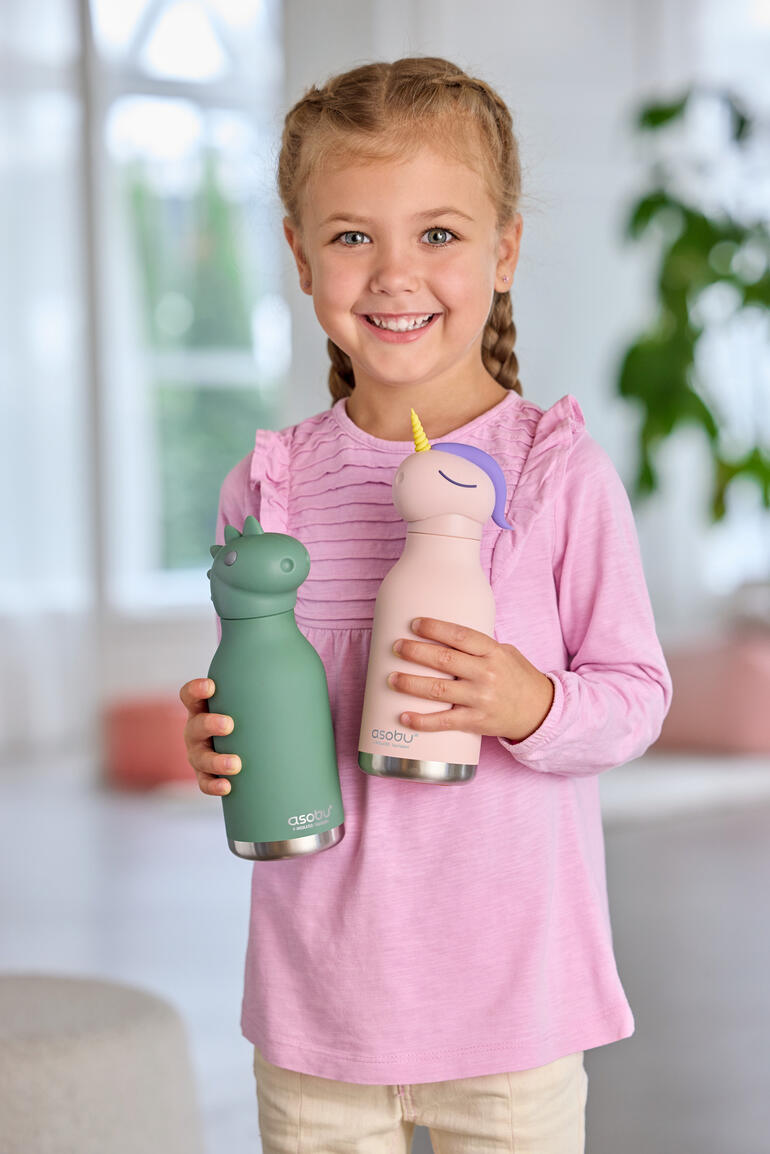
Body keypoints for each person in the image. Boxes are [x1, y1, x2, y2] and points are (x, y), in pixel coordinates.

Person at [180, 56, 672, 1153]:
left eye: (437, 235)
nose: (394, 273)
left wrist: (529, 701)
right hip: (322, 1011)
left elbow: (634, 696)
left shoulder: (554, 472)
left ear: (501, 252)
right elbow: (256, 701)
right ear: (302, 257)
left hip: (510, 1016)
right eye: (352, 236)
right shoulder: (266, 486)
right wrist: (213, 737)